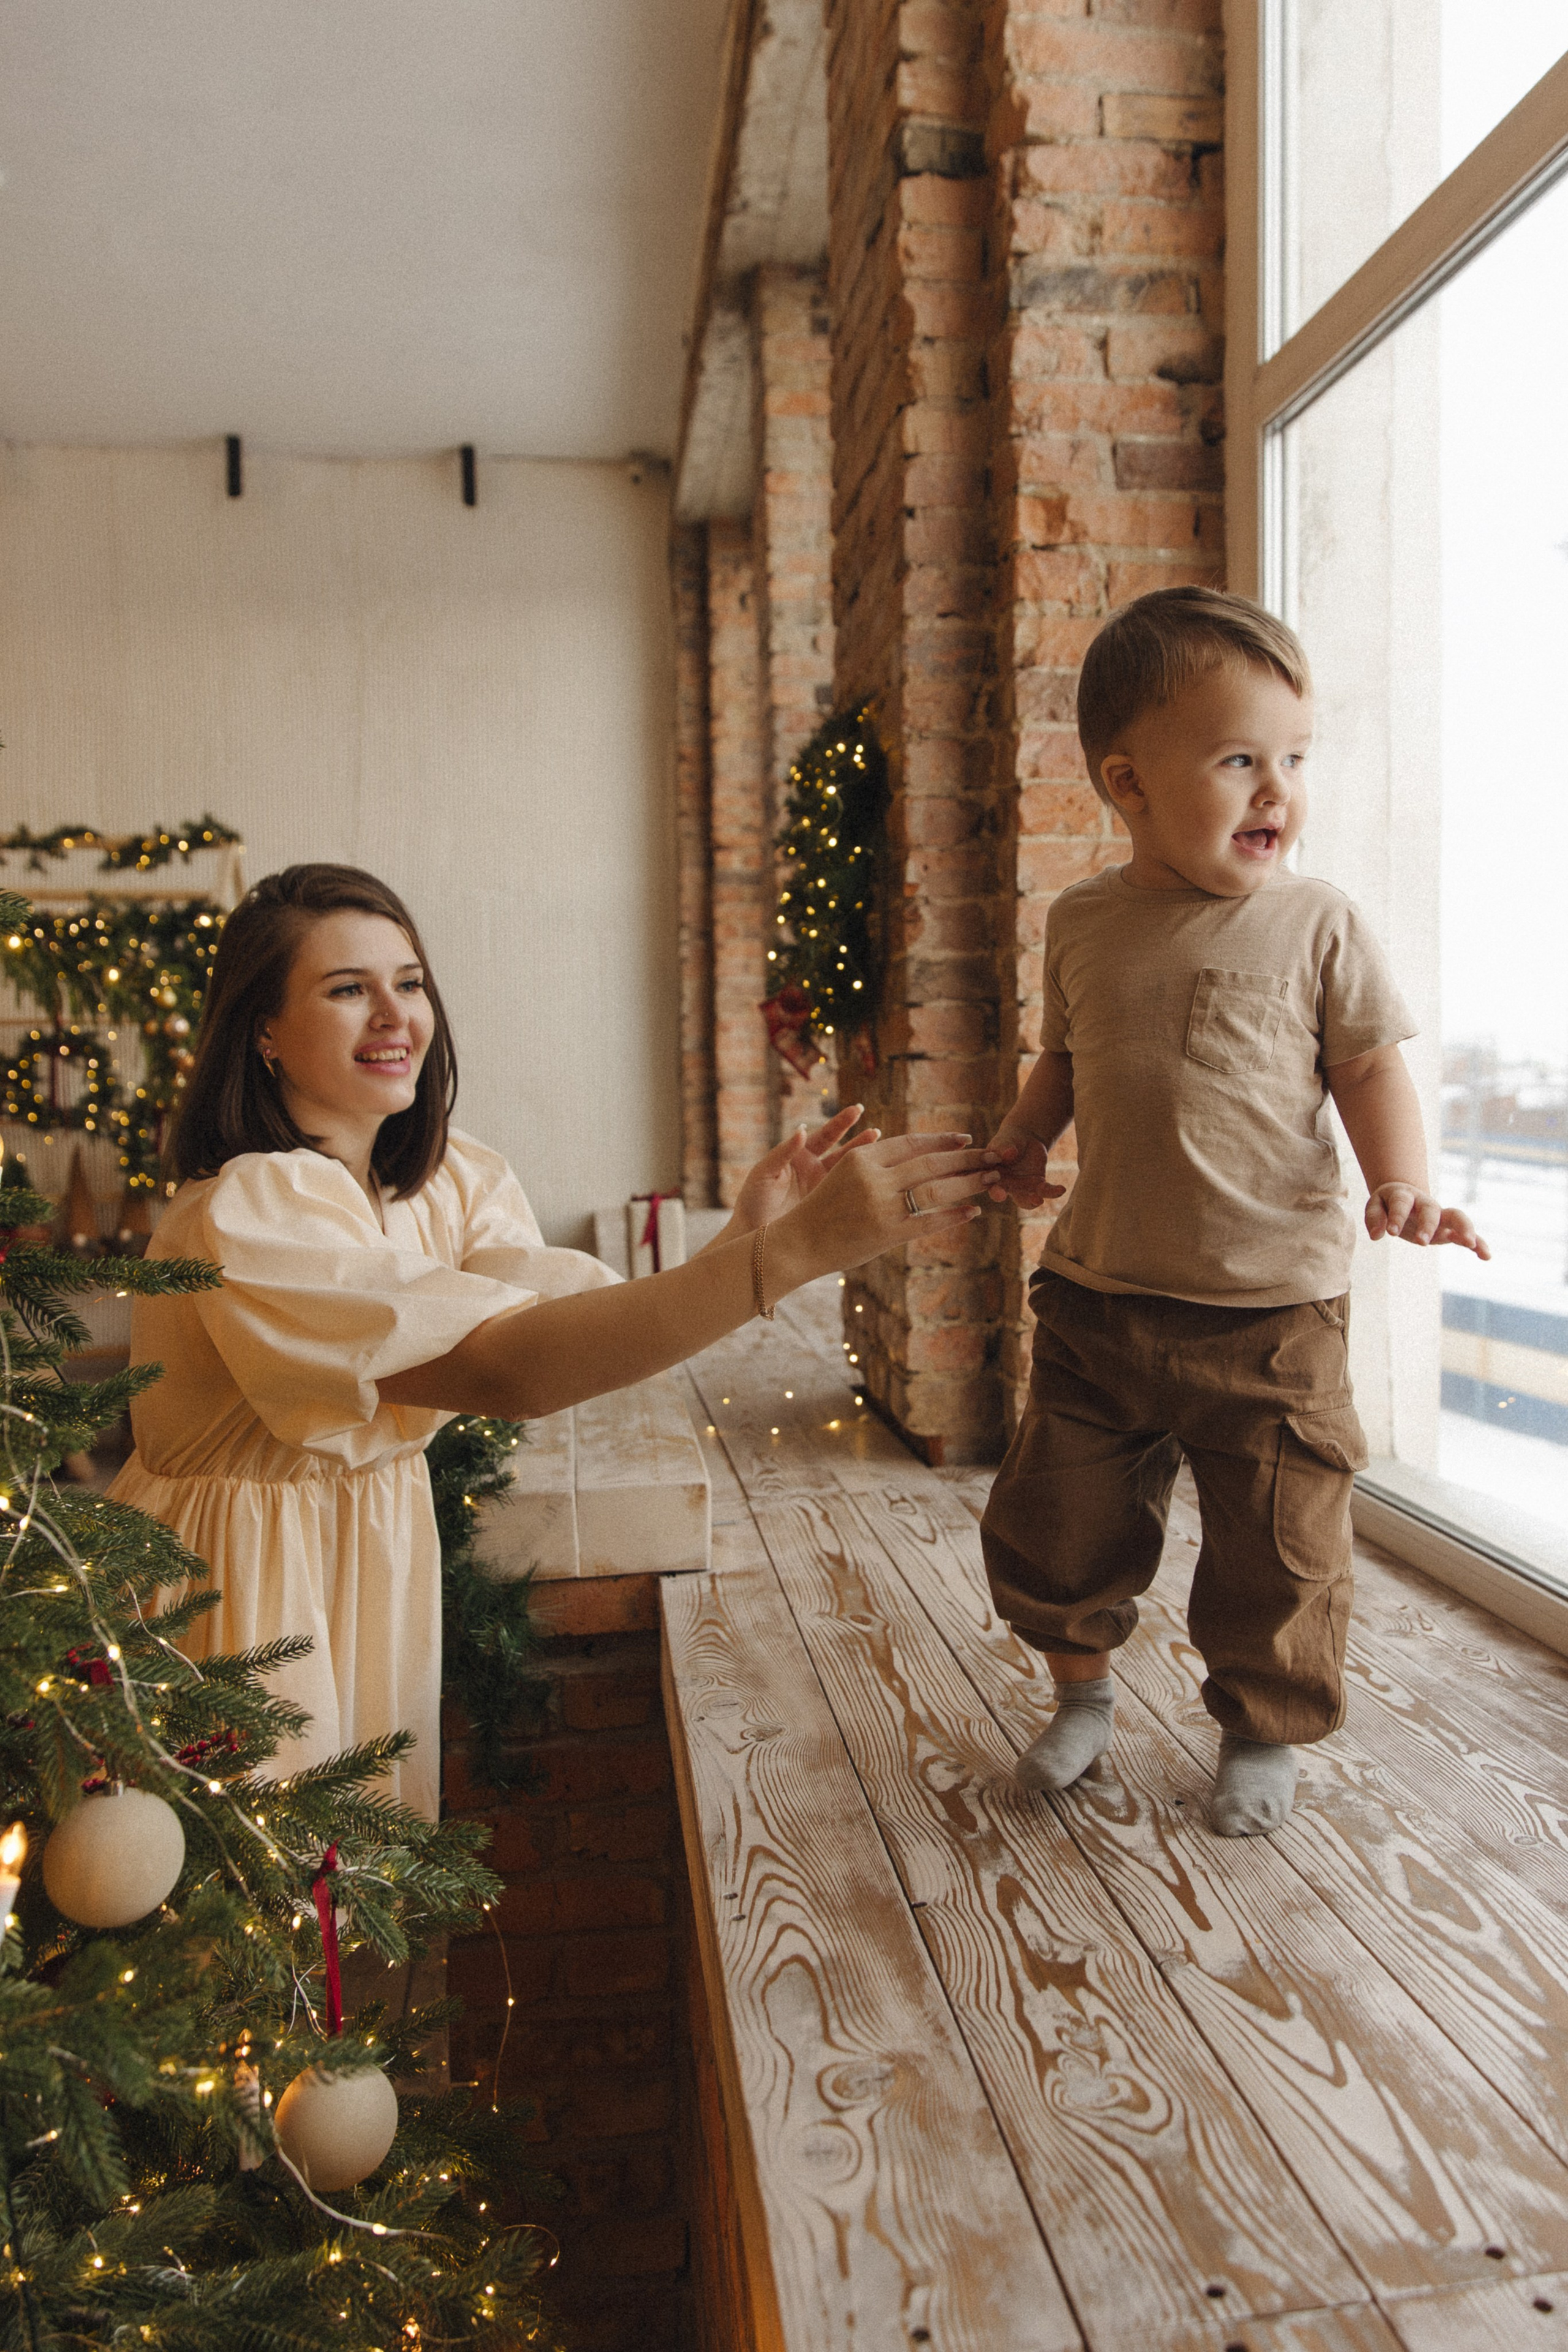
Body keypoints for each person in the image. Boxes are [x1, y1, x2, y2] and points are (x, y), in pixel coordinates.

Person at [111, 864, 997, 1820]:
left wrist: (748, 1240)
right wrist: (792, 1255)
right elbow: (508, 1370)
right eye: (347, 990)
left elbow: (575, 1335)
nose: (395, 1016)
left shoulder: (441, 1183)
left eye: (409, 983)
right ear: (264, 1032)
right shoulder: (252, 1208)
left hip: (367, 1568)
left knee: (360, 1876)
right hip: (242, 1592)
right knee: (267, 1880)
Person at [979, 588, 1487, 1838]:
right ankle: (1081, 1693)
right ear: (1129, 783)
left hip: (1272, 1316)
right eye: (1239, 761)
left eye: (1294, 760)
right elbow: (1066, 1060)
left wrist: (1400, 1178)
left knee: (1279, 1544)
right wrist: (1023, 1136)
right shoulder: (1083, 921)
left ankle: (1260, 1725)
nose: (1278, 792)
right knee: (1057, 1522)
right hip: (1099, 1298)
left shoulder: (1317, 923)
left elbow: (1368, 1067)